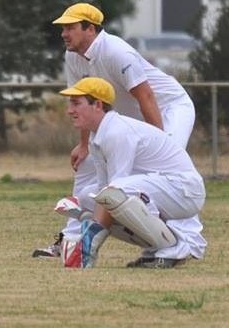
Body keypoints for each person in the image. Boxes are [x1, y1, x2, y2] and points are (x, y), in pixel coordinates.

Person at [31, 2, 206, 268]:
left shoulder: (115, 50)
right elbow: (80, 101)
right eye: (62, 28)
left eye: (70, 28)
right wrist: (83, 145)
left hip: (169, 109)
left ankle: (187, 243)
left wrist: (158, 141)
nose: (64, 34)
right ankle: (71, 240)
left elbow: (145, 96)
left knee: (163, 174)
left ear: (90, 29)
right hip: (124, 121)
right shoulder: (72, 57)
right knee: (87, 166)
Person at [57, 77, 206, 268]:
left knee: (115, 194)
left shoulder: (117, 132)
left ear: (98, 105)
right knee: (88, 197)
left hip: (184, 189)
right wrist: (83, 215)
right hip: (164, 189)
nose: (70, 110)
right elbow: (104, 190)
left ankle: (173, 248)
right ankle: (156, 250)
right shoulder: (98, 136)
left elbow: (115, 190)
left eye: (76, 103)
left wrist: (90, 243)